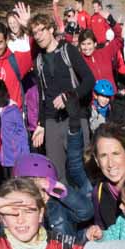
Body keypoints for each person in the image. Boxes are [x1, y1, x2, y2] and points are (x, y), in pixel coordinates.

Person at [26, 11, 95, 207]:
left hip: (75, 117)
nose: (38, 35)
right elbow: (41, 96)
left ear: (50, 30)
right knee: (56, 173)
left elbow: (89, 80)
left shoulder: (68, 51)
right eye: (34, 32)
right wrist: (40, 124)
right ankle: (66, 214)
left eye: (41, 30)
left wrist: (68, 96)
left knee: (81, 167)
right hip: (52, 121)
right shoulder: (38, 61)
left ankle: (90, 211)